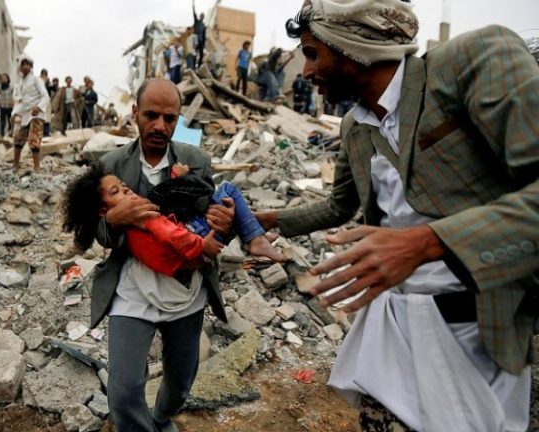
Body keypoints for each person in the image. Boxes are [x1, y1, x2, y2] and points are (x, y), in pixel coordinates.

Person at [255, 1, 537, 430]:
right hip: (392, 327)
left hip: (477, 331)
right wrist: (272, 219)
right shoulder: (354, 127)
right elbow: (340, 206)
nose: (306, 72)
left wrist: (426, 243)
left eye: (312, 53)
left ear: (349, 44)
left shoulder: (469, 62)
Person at [86, 78, 238, 432]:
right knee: (124, 391)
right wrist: (114, 220)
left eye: (169, 118)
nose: (159, 126)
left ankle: (161, 418)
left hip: (185, 289)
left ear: (178, 119)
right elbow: (95, 233)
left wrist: (225, 221)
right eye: (151, 115)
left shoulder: (196, 161)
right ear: (135, 113)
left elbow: (211, 222)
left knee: (181, 382)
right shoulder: (110, 165)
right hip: (133, 289)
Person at [64, 163, 283, 275]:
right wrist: (202, 246)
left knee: (225, 205)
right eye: (116, 192)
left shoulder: (137, 221)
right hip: (195, 242)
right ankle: (256, 237)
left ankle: (255, 230)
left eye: (124, 186)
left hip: (193, 241)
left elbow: (176, 197)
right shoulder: (142, 216)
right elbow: (173, 235)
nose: (126, 190)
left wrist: (181, 177)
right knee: (229, 189)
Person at [11, 55, 49, 171]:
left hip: (37, 113)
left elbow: (45, 96)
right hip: (26, 114)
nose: (25, 67)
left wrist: (38, 107)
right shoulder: (21, 83)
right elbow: (22, 101)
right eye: (23, 64)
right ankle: (15, 165)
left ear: (31, 66)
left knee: (34, 139)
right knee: (18, 138)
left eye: (27, 64)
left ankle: (37, 167)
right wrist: (14, 113)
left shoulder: (36, 79)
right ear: (20, 67)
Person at [192, 0, 207, 67]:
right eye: (201, 16)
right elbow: (194, 14)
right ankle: (193, 65)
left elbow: (204, 35)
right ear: (200, 16)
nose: (202, 17)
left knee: (201, 54)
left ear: (203, 17)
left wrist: (204, 44)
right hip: (195, 39)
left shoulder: (203, 25)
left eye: (203, 16)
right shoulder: (197, 21)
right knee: (195, 53)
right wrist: (193, 5)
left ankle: (199, 65)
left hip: (200, 40)